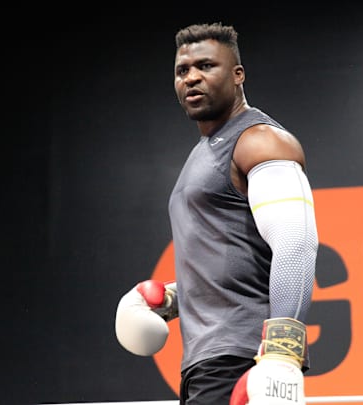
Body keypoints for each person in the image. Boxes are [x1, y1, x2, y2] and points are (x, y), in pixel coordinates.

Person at [115, 22, 319, 405]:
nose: (192, 77)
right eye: (182, 70)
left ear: (238, 75)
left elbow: (296, 245)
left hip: (241, 361)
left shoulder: (260, 140)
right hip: (206, 363)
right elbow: (236, 265)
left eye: (206, 66)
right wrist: (172, 299)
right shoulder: (207, 150)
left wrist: (282, 352)